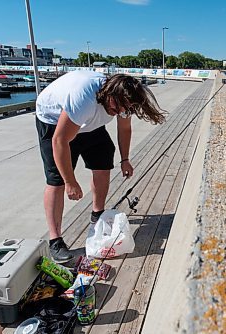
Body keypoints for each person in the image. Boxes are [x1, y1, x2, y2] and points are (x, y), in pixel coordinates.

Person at [36, 71, 165, 263]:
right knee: (56, 181)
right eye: (117, 107)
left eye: (125, 109)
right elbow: (60, 140)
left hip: (90, 124)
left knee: (103, 161)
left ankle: (98, 214)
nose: (120, 111)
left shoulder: (123, 102)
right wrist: (70, 181)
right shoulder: (84, 98)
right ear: (108, 93)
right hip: (55, 122)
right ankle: (55, 241)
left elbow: (124, 128)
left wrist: (125, 159)